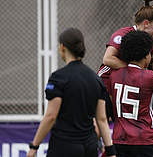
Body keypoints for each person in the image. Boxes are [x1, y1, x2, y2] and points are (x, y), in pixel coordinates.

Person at [26, 28, 115, 157]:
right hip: (89, 146)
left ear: (62, 47)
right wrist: (110, 151)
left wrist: (34, 146)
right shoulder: (96, 79)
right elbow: (101, 119)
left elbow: (51, 116)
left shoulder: (58, 78)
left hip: (64, 145)